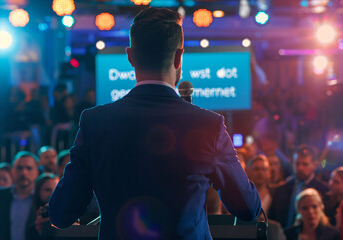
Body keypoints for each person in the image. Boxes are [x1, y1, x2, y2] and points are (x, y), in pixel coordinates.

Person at [49, 7, 261, 240]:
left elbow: (61, 213)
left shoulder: (94, 123)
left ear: (130, 56)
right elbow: (248, 208)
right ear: (179, 57)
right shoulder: (208, 125)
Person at [269, 144, 329, 229]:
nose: (300, 168)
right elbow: (272, 218)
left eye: (305, 164)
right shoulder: (282, 189)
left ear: (314, 166)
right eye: (297, 164)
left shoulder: (323, 190)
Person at [0, 151, 39, 240]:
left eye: (29, 168)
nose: (24, 173)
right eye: (19, 168)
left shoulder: (42, 197)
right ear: (13, 171)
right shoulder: (0, 196)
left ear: (37, 172)